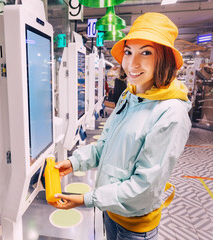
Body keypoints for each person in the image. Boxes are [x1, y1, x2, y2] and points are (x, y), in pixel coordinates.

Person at [49, 12, 191, 240]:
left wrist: (88, 199)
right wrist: (74, 162)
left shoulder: (170, 113)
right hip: (112, 212)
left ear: (164, 58)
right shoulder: (130, 94)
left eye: (146, 52)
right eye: (128, 52)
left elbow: (143, 187)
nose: (132, 63)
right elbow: (104, 145)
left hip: (135, 227)